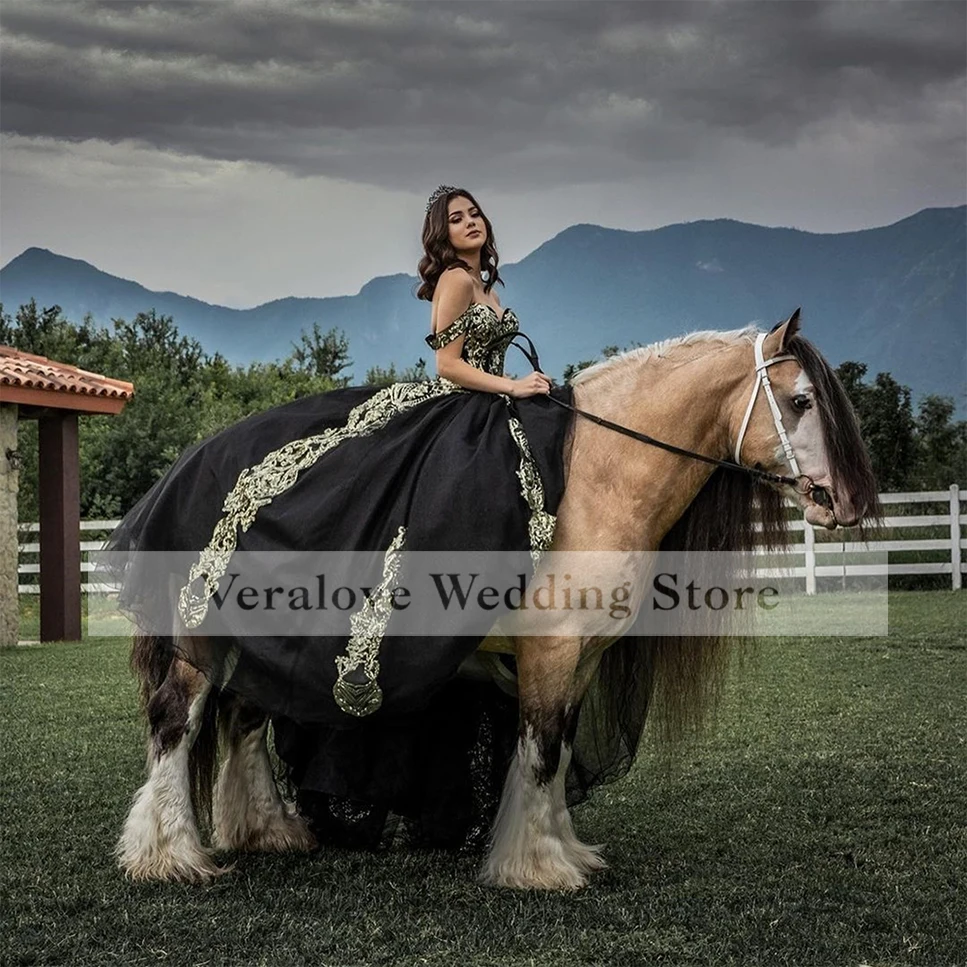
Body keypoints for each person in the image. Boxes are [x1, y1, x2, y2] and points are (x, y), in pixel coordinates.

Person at [105, 185, 578, 849]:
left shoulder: (484, 282)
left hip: (490, 418)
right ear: (439, 235)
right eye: (455, 217)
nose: (469, 222)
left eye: (474, 213)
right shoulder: (452, 279)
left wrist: (527, 388)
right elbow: (447, 367)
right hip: (456, 415)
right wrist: (514, 387)